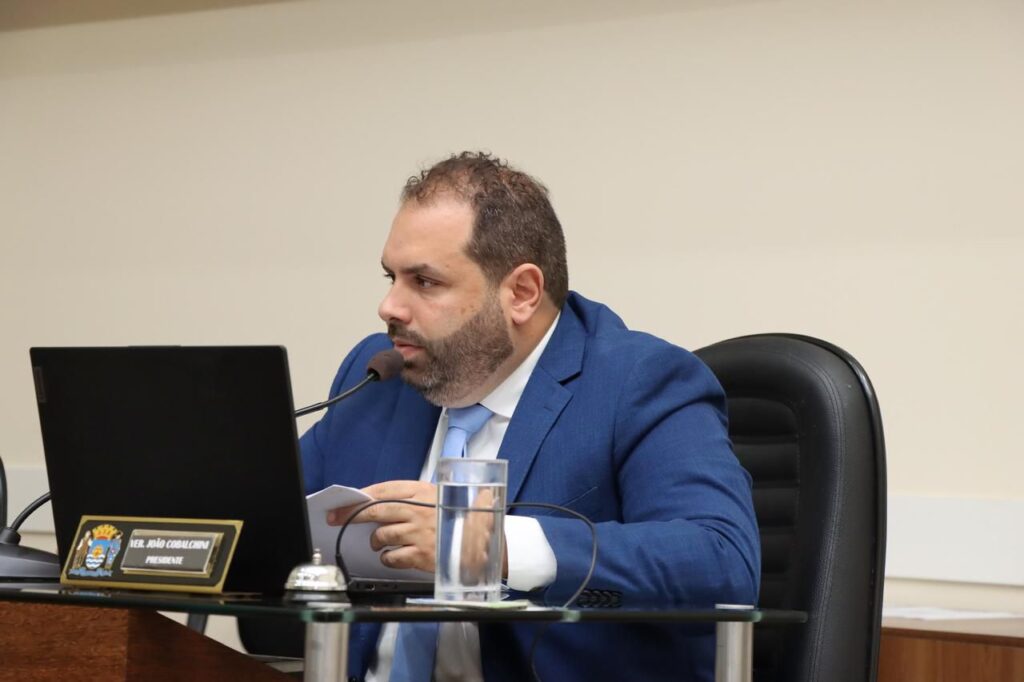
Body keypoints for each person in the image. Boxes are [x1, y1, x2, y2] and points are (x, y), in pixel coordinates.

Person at [300, 152, 760, 682]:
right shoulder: (380, 375)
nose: (389, 306)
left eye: (424, 282)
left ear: (521, 293)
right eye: (391, 277)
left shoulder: (637, 382)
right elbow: (268, 521)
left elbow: (722, 561)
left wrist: (488, 543)